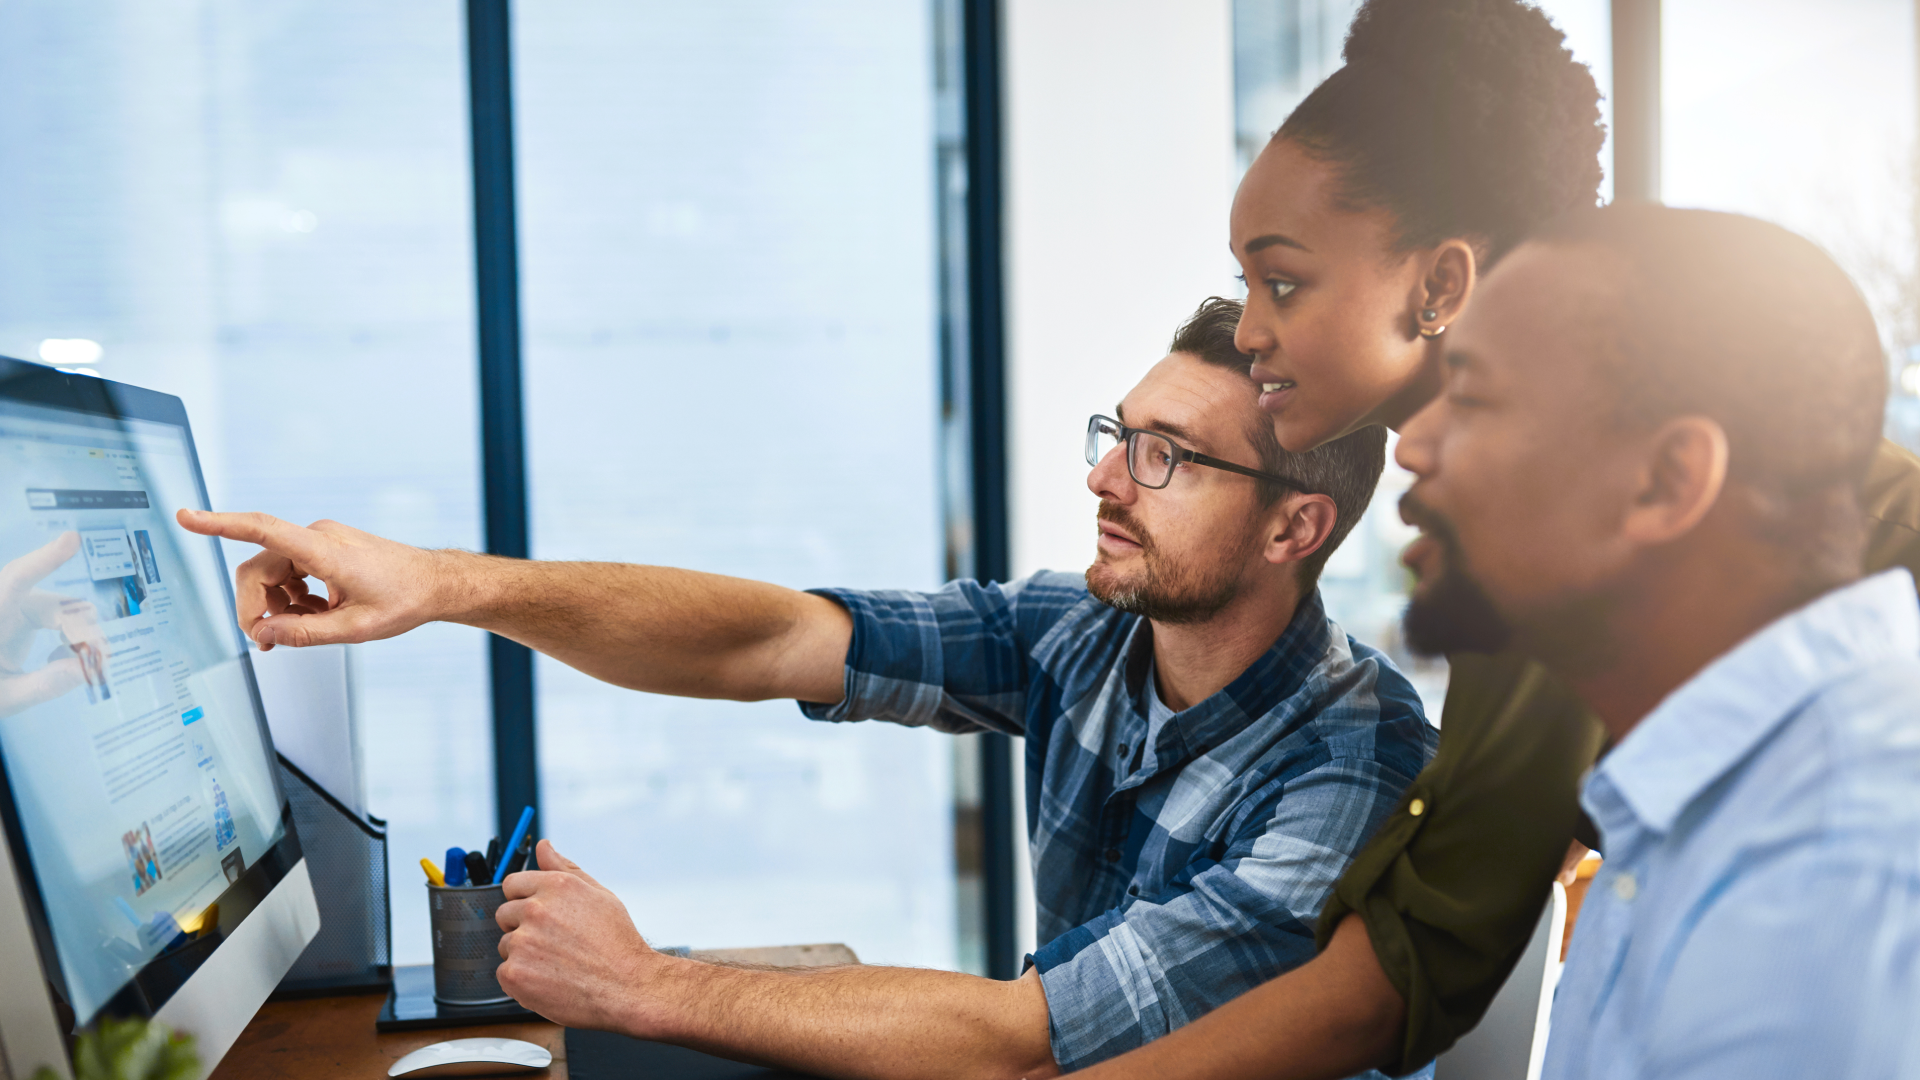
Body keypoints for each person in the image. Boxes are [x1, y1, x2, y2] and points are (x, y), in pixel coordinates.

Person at [177, 299, 1437, 1078]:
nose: (1108, 480)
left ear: (1294, 530)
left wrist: (644, 983)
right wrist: (448, 586)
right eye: (1119, 435)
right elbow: (769, 639)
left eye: (1168, 459)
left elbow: (1026, 1036)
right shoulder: (1086, 631)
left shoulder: (1353, 765)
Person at [1073, 1, 1920, 1077]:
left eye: (1281, 280)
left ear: (1441, 288)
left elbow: (1422, 953)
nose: (1245, 330)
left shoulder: (1571, 535)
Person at [1393, 206, 1920, 1076]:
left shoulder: (1831, 878)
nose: (1413, 444)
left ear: (1666, 481)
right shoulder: (1699, 806)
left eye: (1473, 395)